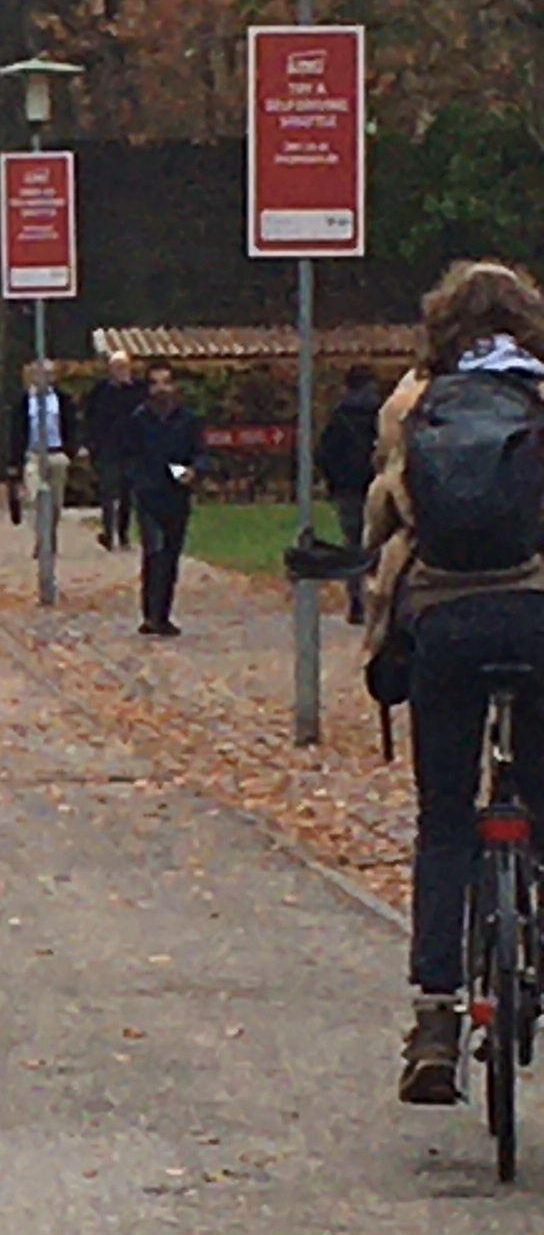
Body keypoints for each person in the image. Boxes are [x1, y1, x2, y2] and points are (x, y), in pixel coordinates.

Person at [362, 261, 544, 1106]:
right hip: (538, 618)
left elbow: (384, 513)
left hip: (444, 625)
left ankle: (436, 1019)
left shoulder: (414, 402)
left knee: (444, 820)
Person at [123, 359, 204, 637]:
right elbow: (129, 455)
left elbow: (200, 452)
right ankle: (150, 614)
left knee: (170, 555)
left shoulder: (188, 419)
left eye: (165, 382)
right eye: (155, 383)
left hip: (176, 495)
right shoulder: (138, 419)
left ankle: (163, 613)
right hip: (148, 494)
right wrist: (138, 480)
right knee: (154, 551)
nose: (161, 389)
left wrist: (193, 471)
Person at [317, 362, 382, 624]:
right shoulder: (383, 413)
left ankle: (356, 601)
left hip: (348, 489)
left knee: (353, 543)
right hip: (378, 485)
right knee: (382, 541)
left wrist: (335, 482)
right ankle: (380, 597)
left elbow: (324, 453)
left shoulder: (339, 417)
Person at [4, 361, 78, 560]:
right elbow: (15, 432)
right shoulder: (23, 401)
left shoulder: (62, 399)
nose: (44, 377)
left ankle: (49, 537)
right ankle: (41, 540)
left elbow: (72, 424)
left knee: (55, 502)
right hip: (33, 454)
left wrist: (70, 451)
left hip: (57, 454)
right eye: (40, 373)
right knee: (36, 498)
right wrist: (14, 461)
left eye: (49, 374)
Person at [81, 351, 149, 551]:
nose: (120, 372)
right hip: (107, 449)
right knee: (108, 492)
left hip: (132, 449)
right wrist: (91, 444)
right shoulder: (100, 391)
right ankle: (108, 533)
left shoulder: (138, 391)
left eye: (123, 367)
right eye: (116, 368)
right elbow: (90, 418)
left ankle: (123, 533)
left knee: (128, 493)